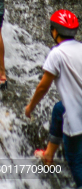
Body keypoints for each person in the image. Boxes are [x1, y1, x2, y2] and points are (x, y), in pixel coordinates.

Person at [25, 10, 82, 185]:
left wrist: (30, 107)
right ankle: (48, 155)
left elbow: (43, 86)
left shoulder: (57, 54)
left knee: (75, 164)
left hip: (77, 120)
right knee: (59, 109)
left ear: (55, 31)